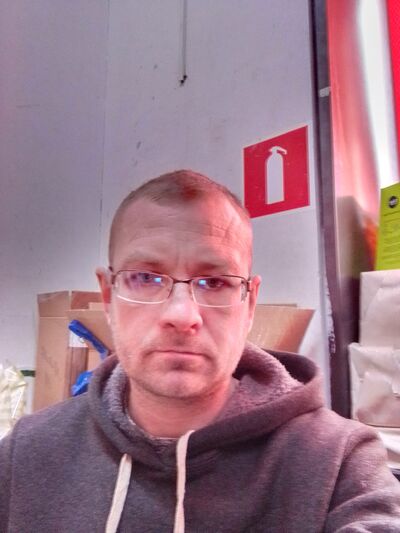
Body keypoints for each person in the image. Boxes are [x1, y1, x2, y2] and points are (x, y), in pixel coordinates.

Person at [1, 169, 400, 533]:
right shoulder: (27, 452)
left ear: (249, 302)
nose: (181, 315)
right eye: (146, 278)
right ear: (108, 296)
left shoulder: (339, 463)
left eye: (214, 282)